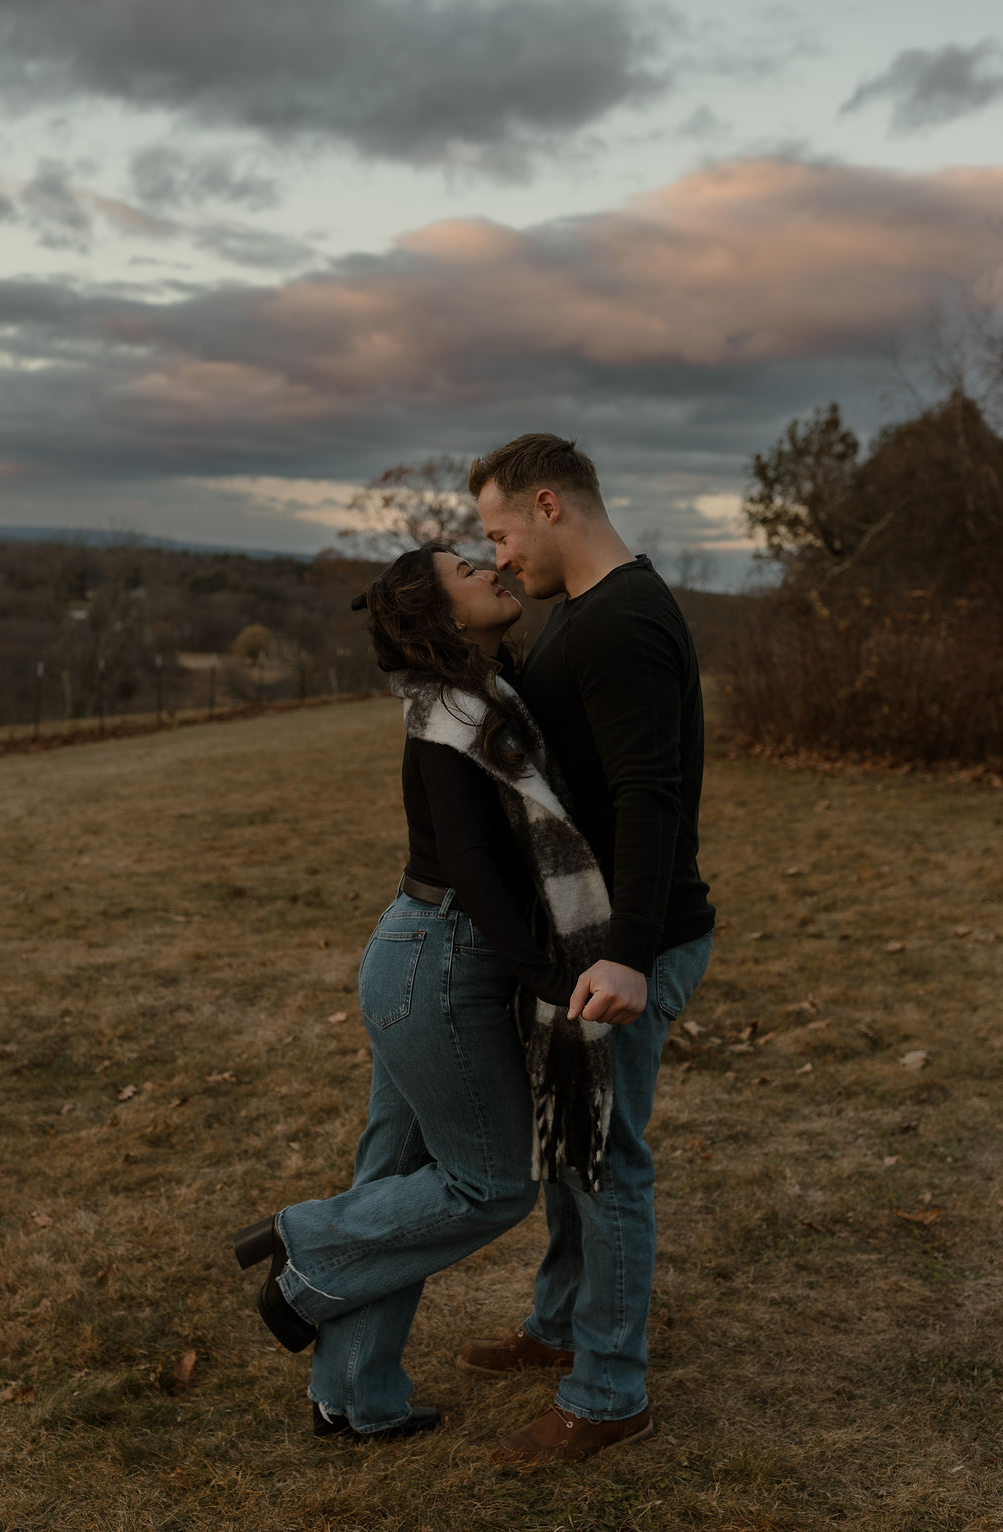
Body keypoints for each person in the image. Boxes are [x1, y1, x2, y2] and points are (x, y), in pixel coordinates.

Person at [231, 541, 616, 1445]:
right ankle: (304, 1243)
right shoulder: (453, 712)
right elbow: (477, 872)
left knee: (398, 1184)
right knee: (490, 1186)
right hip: (440, 960)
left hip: (423, 953)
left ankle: (357, 1398)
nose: (490, 567)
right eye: (464, 570)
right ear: (441, 616)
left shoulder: (477, 696)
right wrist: (551, 978)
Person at [458, 432, 715, 1464]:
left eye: (500, 531)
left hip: (625, 945)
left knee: (604, 1157)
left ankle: (609, 1390)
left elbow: (654, 796)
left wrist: (631, 953)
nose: (499, 553)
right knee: (571, 1140)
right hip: (590, 939)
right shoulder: (582, 616)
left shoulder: (624, 624)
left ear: (549, 503)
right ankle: (559, 1321)